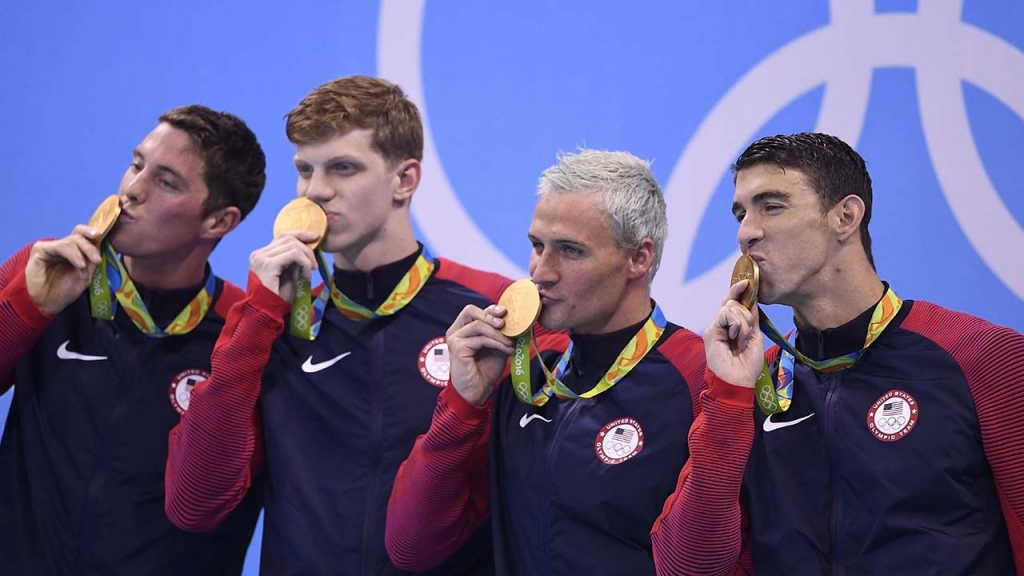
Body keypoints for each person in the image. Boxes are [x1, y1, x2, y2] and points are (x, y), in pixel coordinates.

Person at [165, 75, 506, 575]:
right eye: (305, 170)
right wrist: (257, 317)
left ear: (405, 180)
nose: (316, 191)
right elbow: (193, 504)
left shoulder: (485, 313)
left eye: (343, 168)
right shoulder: (270, 327)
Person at [651, 132, 1024, 575]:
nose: (746, 232)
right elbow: (686, 567)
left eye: (772, 206)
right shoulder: (752, 385)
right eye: (741, 212)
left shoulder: (978, 357)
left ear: (845, 216)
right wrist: (729, 397)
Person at [385, 149, 709, 575]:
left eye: (570, 251)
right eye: (537, 245)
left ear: (639, 258)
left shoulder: (697, 375)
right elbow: (411, 547)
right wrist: (462, 404)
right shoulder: (520, 366)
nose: (541, 271)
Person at [0, 105, 267, 575]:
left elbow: (208, 503)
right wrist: (29, 306)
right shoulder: (45, 272)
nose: (131, 191)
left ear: (219, 223)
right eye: (136, 164)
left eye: (166, 182)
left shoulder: (245, 337)